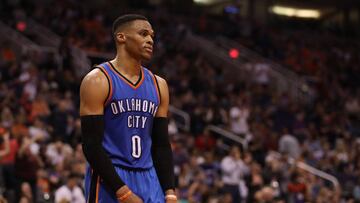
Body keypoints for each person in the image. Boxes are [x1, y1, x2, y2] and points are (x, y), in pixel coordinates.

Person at [79, 14, 176, 203]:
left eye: (152, 36)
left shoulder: (159, 85)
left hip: (149, 177)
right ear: (121, 37)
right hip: (109, 177)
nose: (150, 40)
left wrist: (169, 191)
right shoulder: (97, 80)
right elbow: (91, 145)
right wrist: (122, 192)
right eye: (143, 34)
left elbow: (161, 144)